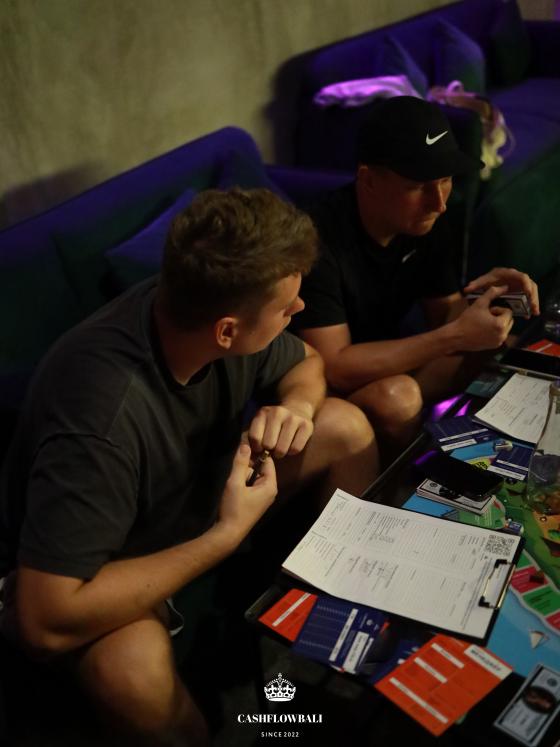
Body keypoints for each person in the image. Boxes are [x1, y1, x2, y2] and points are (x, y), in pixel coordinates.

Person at [0, 188, 377, 746]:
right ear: (227, 331)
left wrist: (296, 407)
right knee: (133, 674)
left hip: (191, 498)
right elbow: (43, 618)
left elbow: (309, 363)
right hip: (106, 562)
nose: (300, 310)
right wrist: (226, 535)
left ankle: (338, 635)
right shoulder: (100, 422)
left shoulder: (196, 310)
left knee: (344, 426)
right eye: (286, 308)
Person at [291, 96, 539, 452]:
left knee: (509, 352)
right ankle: (408, 479)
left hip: (388, 365)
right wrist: (454, 336)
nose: (438, 202)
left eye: (445, 180)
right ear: (368, 180)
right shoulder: (317, 239)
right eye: (417, 186)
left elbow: (444, 316)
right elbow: (335, 367)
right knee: (398, 397)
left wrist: (487, 300)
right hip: (319, 391)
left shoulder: (425, 220)